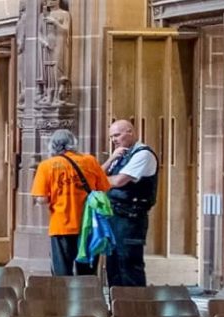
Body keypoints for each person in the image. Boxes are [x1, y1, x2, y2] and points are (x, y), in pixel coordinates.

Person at [30, 128, 107, 277]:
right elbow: (102, 189)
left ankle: (65, 300)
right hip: (88, 226)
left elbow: (42, 198)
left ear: (52, 145)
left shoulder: (46, 166)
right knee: (87, 275)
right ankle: (86, 300)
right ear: (73, 143)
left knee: (62, 275)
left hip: (61, 226)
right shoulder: (90, 161)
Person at [104, 117, 159, 286]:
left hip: (131, 218)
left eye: (117, 135)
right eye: (111, 137)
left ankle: (135, 308)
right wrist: (111, 159)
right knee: (113, 266)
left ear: (131, 132)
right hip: (114, 216)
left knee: (128, 265)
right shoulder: (120, 155)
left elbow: (119, 181)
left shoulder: (143, 154)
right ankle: (117, 308)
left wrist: (100, 181)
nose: (114, 140)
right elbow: (97, 175)